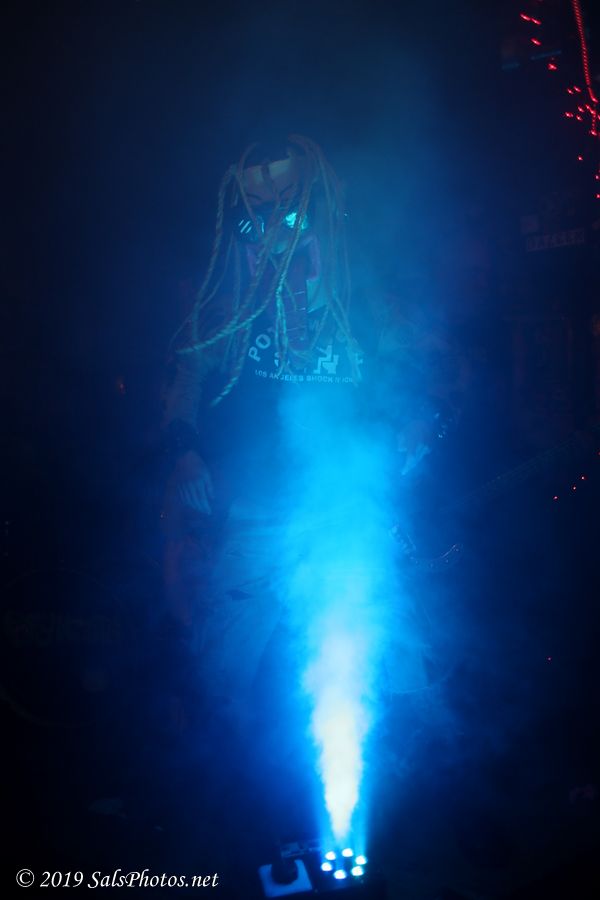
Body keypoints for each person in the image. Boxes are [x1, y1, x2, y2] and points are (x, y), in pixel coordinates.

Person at [160, 135, 449, 730]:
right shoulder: (232, 307)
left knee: (400, 645)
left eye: (289, 211)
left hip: (348, 510)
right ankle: (210, 765)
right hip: (260, 512)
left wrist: (418, 418)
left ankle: (419, 759)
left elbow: (415, 362)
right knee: (220, 664)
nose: (272, 229)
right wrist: (184, 450)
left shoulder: (362, 300)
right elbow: (186, 372)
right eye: (256, 215)